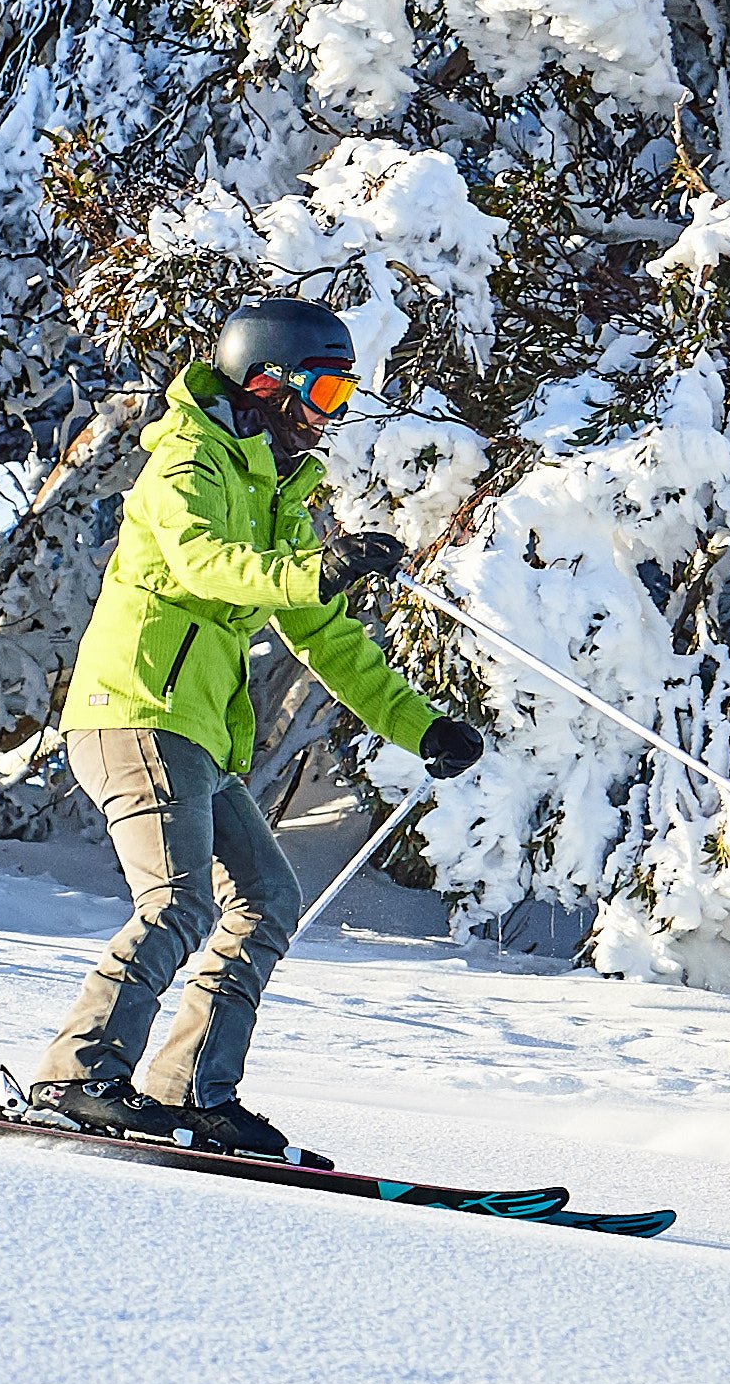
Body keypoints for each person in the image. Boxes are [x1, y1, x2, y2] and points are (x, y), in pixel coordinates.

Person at [30, 296, 482, 1157]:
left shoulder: (276, 489)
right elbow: (211, 564)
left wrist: (422, 728)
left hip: (197, 733)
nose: (328, 419)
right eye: (323, 396)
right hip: (134, 713)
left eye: (341, 400)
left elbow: (324, 634)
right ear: (266, 381)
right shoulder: (187, 464)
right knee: (176, 902)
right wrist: (320, 566)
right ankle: (75, 1076)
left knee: (270, 899)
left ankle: (193, 1090)